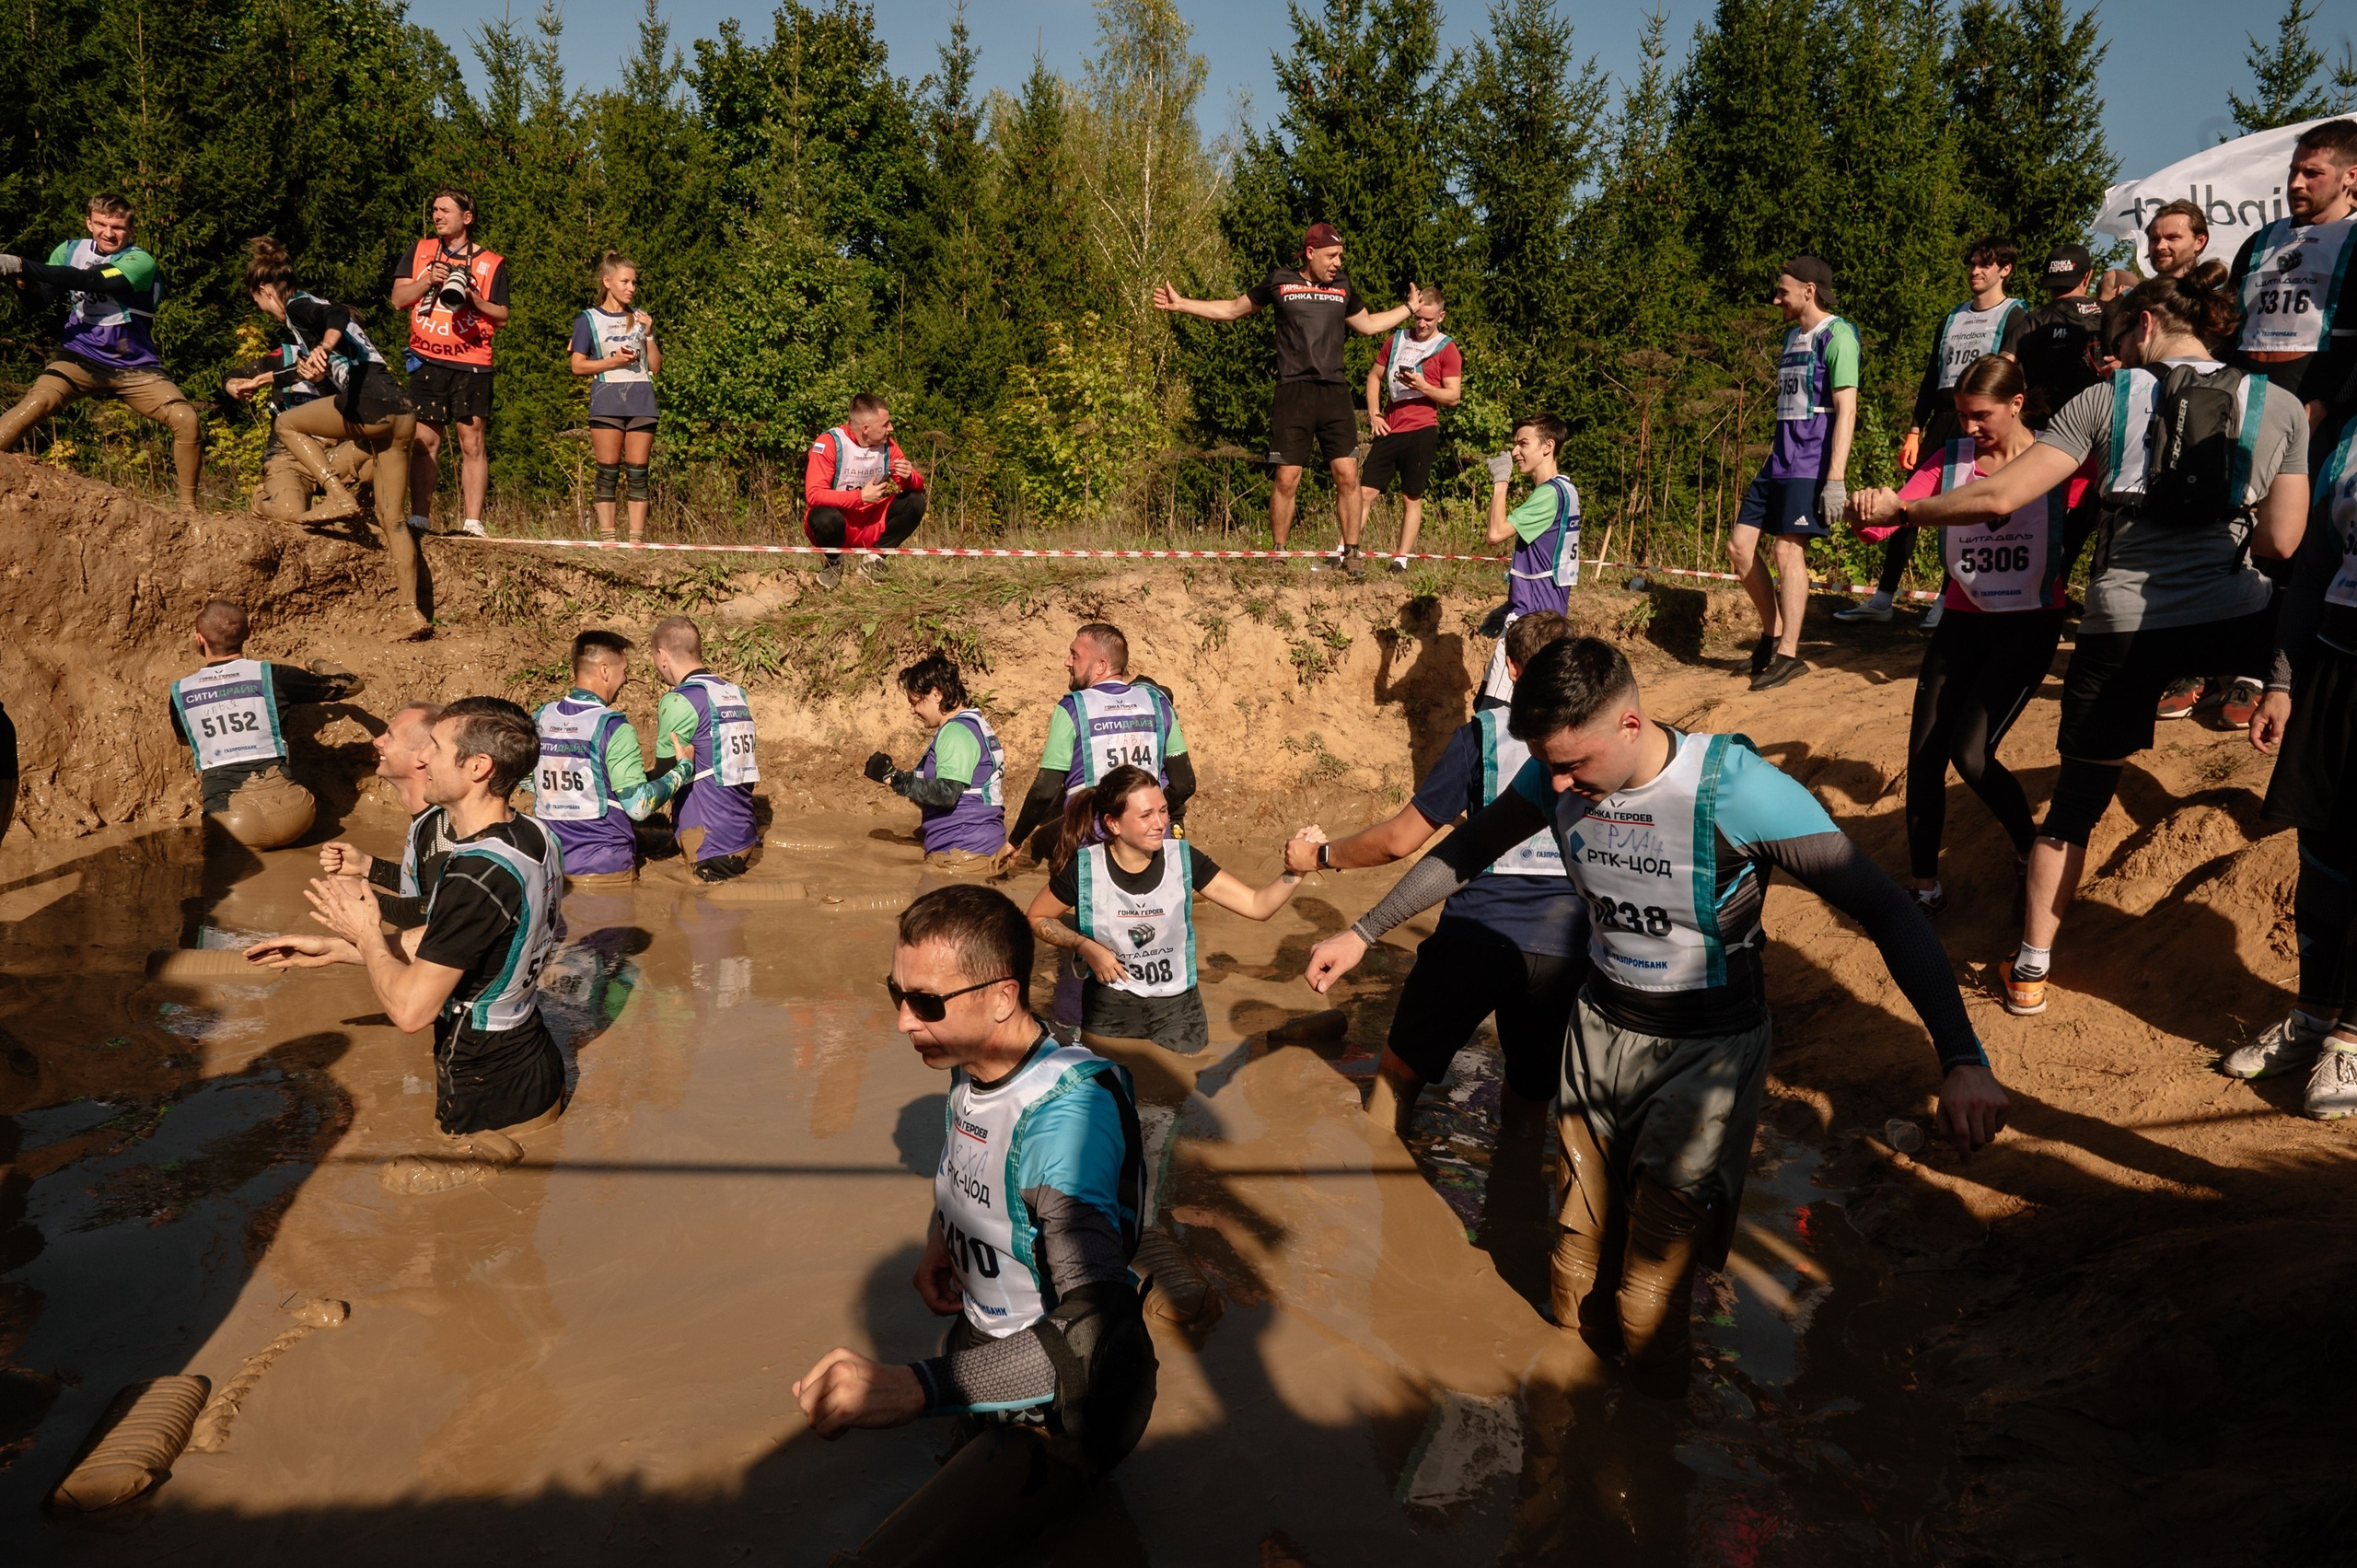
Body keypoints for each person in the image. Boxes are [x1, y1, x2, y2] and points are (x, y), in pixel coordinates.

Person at [1302, 636, 2007, 1398]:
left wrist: (1962, 1058)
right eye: (1547, 764)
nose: (1559, 783)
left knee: (1644, 1305)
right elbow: (1467, 848)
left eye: (1574, 764)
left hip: (1706, 1053)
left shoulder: (1737, 789)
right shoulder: (1554, 776)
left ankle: (1655, 1436)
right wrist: (1362, 931)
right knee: (1571, 1281)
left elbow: (1886, 909)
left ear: (1630, 724)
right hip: (1600, 1033)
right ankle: (1570, 1436)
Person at [1851, 273, 2311, 1019]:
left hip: (2122, 623)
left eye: (2118, 335)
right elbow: (2283, 541)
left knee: (2074, 806)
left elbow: (2002, 495)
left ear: (2147, 324)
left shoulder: (2106, 398)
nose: (2112, 350)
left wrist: (1906, 512)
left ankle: (2031, 969)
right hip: (2234, 615)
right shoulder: (2280, 404)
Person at [794, 885, 1154, 1567]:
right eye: (896, 993)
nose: (903, 1021)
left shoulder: (1067, 1120)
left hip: (1061, 1408)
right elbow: (972, 1158)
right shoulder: (969, 1059)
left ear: (1002, 997)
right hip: (983, 1347)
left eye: (926, 1002)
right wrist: (943, 1236)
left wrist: (914, 1387)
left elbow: (1095, 1337)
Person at [1283, 611, 1585, 1134]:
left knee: (1396, 1082)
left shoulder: (1482, 735)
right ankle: (1513, 1185)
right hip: (1569, 945)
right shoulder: (1598, 742)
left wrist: (1320, 856)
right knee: (1529, 1102)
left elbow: (1398, 842)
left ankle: (1378, 1171)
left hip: (1476, 935)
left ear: (1511, 669)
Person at [250, 698, 567, 1147]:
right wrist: (338, 950)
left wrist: (366, 933)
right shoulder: (535, 834)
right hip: (536, 1067)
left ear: (478, 767)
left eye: (436, 748)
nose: (424, 759)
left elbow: (410, 1012)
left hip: (486, 1091)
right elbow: (458, 944)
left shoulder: (476, 875)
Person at [1849, 356, 2092, 915]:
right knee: (1925, 754)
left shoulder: (2059, 457)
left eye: (1981, 415)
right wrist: (1865, 510)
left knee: (1972, 754)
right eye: (1961, 415)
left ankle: (2030, 849)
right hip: (1963, 619)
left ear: (2017, 404)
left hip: (2030, 621)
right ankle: (1923, 885)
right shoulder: (1952, 457)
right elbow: (1890, 518)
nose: (1969, 427)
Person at [1152, 222, 1420, 575]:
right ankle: (1278, 552)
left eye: (1340, 256)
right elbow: (1232, 309)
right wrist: (1183, 304)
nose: (1338, 263)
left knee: (1348, 475)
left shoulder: (1342, 286)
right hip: (1293, 392)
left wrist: (1409, 308)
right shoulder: (1280, 280)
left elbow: (1368, 325)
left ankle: (1351, 553)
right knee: (1287, 477)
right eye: (1331, 256)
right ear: (1310, 253)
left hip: (1334, 392)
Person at [1026, 766, 1317, 1057]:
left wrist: (1298, 870)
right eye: (1146, 815)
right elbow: (1037, 917)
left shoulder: (1184, 859)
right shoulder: (1086, 869)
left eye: (1163, 811)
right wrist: (1085, 946)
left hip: (1179, 1013)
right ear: (1113, 824)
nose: (1160, 823)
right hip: (1109, 1011)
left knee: (1186, 1083)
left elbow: (1258, 905)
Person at [2240, 411, 2357, 1118]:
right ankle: (2314, 1014)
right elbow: (2313, 569)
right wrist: (2281, 682)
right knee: (2322, 849)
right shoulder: (2350, 435)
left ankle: (2354, 1036)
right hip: (2336, 673)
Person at [239, 238, 427, 637]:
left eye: (258, 301)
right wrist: (273, 377)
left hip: (371, 408)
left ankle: (338, 495)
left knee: (286, 424)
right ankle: (410, 613)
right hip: (401, 411)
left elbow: (337, 313)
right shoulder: (314, 317)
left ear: (265, 291)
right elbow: (332, 359)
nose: (262, 309)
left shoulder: (298, 306)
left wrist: (324, 345)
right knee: (393, 520)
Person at [1839, 238, 2025, 630]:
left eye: (1984, 265)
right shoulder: (1954, 316)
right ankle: (1883, 598)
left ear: (2005, 269)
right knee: (1908, 503)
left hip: (1980, 420)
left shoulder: (2015, 314)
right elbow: (1931, 374)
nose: (1975, 271)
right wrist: (1914, 428)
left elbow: (2010, 372)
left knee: (1963, 509)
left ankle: (1946, 599)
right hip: (1942, 416)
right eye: (1971, 264)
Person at [0, 192, 201, 507]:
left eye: (118, 227)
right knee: (37, 403)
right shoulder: (68, 251)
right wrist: (21, 283)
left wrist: (22, 265)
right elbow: (41, 302)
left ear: (131, 230)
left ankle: (189, 511)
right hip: (80, 357)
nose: (108, 233)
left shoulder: (140, 261)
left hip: (134, 365)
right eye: (101, 224)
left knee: (186, 419)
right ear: (89, 223)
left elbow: (94, 280)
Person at [1730, 256, 1858, 691]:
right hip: (1778, 460)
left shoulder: (1838, 336)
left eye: (1782, 291)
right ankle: (1771, 636)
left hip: (1810, 463)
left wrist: (1835, 478)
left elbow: (1846, 411)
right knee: (1739, 547)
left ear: (1809, 290)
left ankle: (1789, 654)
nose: (1776, 299)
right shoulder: (1790, 337)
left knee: (1787, 552)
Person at [168, 599, 363, 849]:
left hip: (232, 824)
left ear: (199, 639)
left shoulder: (181, 692)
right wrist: (312, 663)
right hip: (296, 813)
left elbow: (186, 740)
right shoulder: (272, 675)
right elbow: (352, 684)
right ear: (248, 634)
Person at [1001, 623, 1194, 864]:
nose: (1067, 662)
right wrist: (1146, 814)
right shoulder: (1158, 703)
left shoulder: (1073, 707)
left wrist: (1015, 839)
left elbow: (1045, 791)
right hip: (1148, 843)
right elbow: (1184, 784)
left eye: (1075, 655)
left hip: (1091, 845)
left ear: (1101, 666)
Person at [389, 187, 509, 539]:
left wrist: (472, 297)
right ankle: (419, 519)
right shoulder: (421, 250)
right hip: (426, 359)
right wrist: (429, 279)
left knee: (472, 442)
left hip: (472, 361)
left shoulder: (491, 263)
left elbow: (502, 315)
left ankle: (473, 524)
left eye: (445, 210)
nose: (437, 216)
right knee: (424, 442)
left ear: (466, 217)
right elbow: (398, 299)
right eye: (434, 210)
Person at [2226, 119, 2357, 436]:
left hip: (2322, 422)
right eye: (2293, 171)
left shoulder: (2354, 240)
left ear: (2350, 176)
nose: (2296, 183)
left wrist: (2328, 404)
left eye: (2312, 173)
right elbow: (2226, 327)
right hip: (2243, 408)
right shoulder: (2260, 241)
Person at [532, 631, 685, 888]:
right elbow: (639, 806)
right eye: (624, 670)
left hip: (552, 870)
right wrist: (682, 769)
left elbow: (528, 779)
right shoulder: (613, 727)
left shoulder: (542, 718)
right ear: (605, 670)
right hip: (606, 870)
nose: (626, 679)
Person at [318, 700, 454, 928]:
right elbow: (422, 882)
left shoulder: (443, 826)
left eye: (390, 736)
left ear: (423, 756)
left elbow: (440, 910)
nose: (377, 741)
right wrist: (367, 867)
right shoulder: (430, 817)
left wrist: (368, 900)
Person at [1474, 414, 1580, 707]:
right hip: (1550, 621)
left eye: (1523, 444)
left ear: (1548, 446)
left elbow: (1495, 533)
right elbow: (1547, 562)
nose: (1514, 452)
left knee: (1491, 714)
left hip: (1528, 624)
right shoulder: (1567, 491)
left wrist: (1500, 481)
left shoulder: (1548, 495)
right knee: (1529, 716)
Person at [865, 653, 1007, 868]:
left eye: (914, 702)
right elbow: (948, 793)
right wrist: (894, 777)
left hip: (961, 855)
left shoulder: (956, 732)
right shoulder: (974, 724)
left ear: (936, 694)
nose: (912, 710)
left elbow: (947, 793)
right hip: (981, 851)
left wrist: (895, 779)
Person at [649, 615, 761, 881]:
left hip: (710, 849)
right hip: (743, 836)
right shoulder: (734, 693)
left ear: (662, 656)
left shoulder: (677, 700)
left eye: (654, 658)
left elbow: (662, 781)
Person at [1361, 285, 1462, 570]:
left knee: (1410, 497)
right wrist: (1374, 414)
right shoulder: (1397, 339)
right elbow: (1374, 377)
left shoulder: (1447, 348)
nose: (1422, 324)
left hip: (1422, 429)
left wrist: (1424, 386)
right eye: (1418, 317)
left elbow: (1453, 396)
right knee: (1364, 493)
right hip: (1389, 427)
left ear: (1441, 317)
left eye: (1428, 319)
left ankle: (1401, 559)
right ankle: (1345, 551)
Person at [569, 252, 660, 545]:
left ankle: (636, 540)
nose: (631, 288)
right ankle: (608, 539)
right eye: (625, 282)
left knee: (638, 473)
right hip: (607, 399)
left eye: (634, 282)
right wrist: (613, 362)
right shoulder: (588, 319)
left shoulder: (641, 318)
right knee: (607, 471)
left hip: (642, 399)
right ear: (607, 282)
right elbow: (577, 366)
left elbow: (655, 367)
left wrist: (649, 335)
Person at [805, 392, 926, 587]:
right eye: (885, 424)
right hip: (838, 522)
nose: (891, 428)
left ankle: (874, 560)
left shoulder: (888, 445)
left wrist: (909, 477)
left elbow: (917, 486)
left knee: (915, 502)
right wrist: (859, 496)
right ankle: (834, 562)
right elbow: (814, 495)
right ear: (866, 429)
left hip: (872, 523)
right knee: (822, 516)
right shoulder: (829, 443)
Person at [2014, 244, 2106, 432]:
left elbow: (2003, 365)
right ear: (2087, 276)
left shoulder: (2036, 319)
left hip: (2046, 427)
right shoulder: (2111, 312)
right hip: (2102, 421)